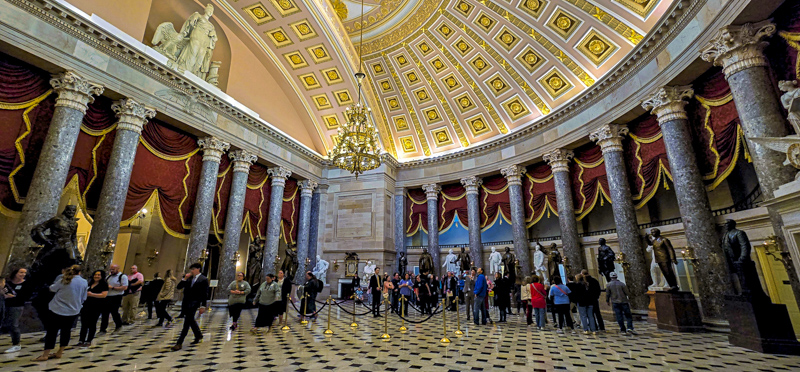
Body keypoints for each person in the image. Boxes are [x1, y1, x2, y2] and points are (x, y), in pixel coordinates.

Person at [33, 265, 87, 361]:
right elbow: (84, 297)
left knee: (52, 332)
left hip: (57, 309)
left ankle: (45, 354)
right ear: (80, 272)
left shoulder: (64, 279)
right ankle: (60, 352)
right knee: (66, 332)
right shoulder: (84, 282)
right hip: (73, 311)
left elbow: (52, 288)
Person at [171, 263, 208, 351]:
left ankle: (179, 343)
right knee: (190, 319)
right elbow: (179, 287)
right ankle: (198, 335)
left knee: (187, 322)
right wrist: (184, 279)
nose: (191, 271)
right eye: (191, 269)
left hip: (195, 303)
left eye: (193, 269)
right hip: (186, 302)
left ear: (198, 269)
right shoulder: (188, 278)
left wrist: (203, 306)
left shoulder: (203, 279)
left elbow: (205, 294)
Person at [77, 270, 108, 347]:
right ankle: (81, 339)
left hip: (96, 306)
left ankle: (89, 340)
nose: (96, 276)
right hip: (86, 305)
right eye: (95, 274)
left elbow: (103, 295)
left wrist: (92, 294)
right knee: (84, 323)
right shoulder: (89, 283)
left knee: (92, 323)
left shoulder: (104, 285)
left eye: (98, 275)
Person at [3, 267, 30, 353]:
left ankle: (16, 344)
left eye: (24, 273)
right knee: (7, 324)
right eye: (21, 272)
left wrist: (14, 297)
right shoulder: (8, 282)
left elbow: (25, 296)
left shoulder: (26, 284)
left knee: (13, 324)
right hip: (5, 305)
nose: (23, 274)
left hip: (17, 306)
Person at [99, 264, 127, 335]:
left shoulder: (122, 277)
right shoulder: (109, 276)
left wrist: (113, 288)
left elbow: (124, 287)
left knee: (114, 312)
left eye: (113, 269)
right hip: (107, 296)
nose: (111, 271)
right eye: (110, 269)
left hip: (116, 296)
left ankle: (118, 325)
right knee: (105, 313)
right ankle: (103, 329)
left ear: (118, 269)